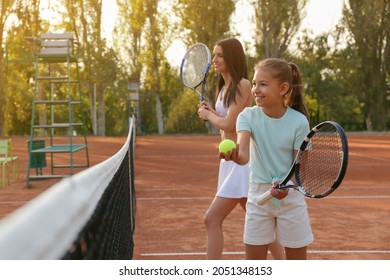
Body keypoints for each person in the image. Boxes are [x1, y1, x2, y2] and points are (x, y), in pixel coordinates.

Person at [197, 38, 285, 260]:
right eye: (214, 55)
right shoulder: (223, 88)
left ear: (232, 58)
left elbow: (230, 125)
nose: (214, 60)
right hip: (228, 161)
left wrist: (209, 116)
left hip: (241, 161)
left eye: (220, 56)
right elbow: (225, 123)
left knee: (211, 219)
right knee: (261, 220)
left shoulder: (244, 84)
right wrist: (212, 113)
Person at [222, 58, 314, 260]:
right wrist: (236, 156)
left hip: (291, 198)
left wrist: (287, 186)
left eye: (263, 84)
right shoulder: (247, 116)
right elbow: (244, 154)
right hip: (258, 195)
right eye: (254, 83)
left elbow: (301, 171)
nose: (255, 89)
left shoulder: (299, 122)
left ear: (283, 88)